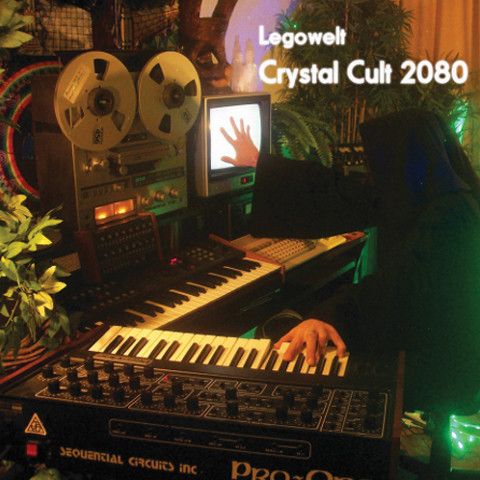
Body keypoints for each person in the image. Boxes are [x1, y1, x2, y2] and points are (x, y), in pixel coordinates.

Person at [221, 109, 480, 417]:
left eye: (382, 165)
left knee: (308, 365)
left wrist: (327, 317)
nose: (377, 176)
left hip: (441, 367)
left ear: (406, 161)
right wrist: (259, 162)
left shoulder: (449, 218)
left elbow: (395, 288)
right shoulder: (433, 192)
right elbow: (341, 190)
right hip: (438, 349)